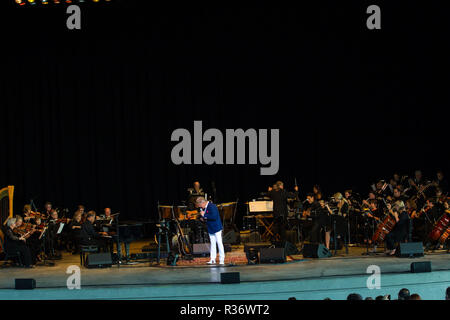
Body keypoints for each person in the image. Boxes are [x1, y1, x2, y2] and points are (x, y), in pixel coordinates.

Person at [196, 196, 225, 265]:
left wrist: (204, 215)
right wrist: (203, 218)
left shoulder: (212, 206)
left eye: (200, 205)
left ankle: (222, 260)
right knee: (212, 244)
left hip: (216, 228)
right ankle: (212, 259)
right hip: (210, 228)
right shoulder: (205, 207)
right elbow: (207, 217)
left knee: (219, 243)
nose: (200, 207)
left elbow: (214, 217)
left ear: (203, 202)